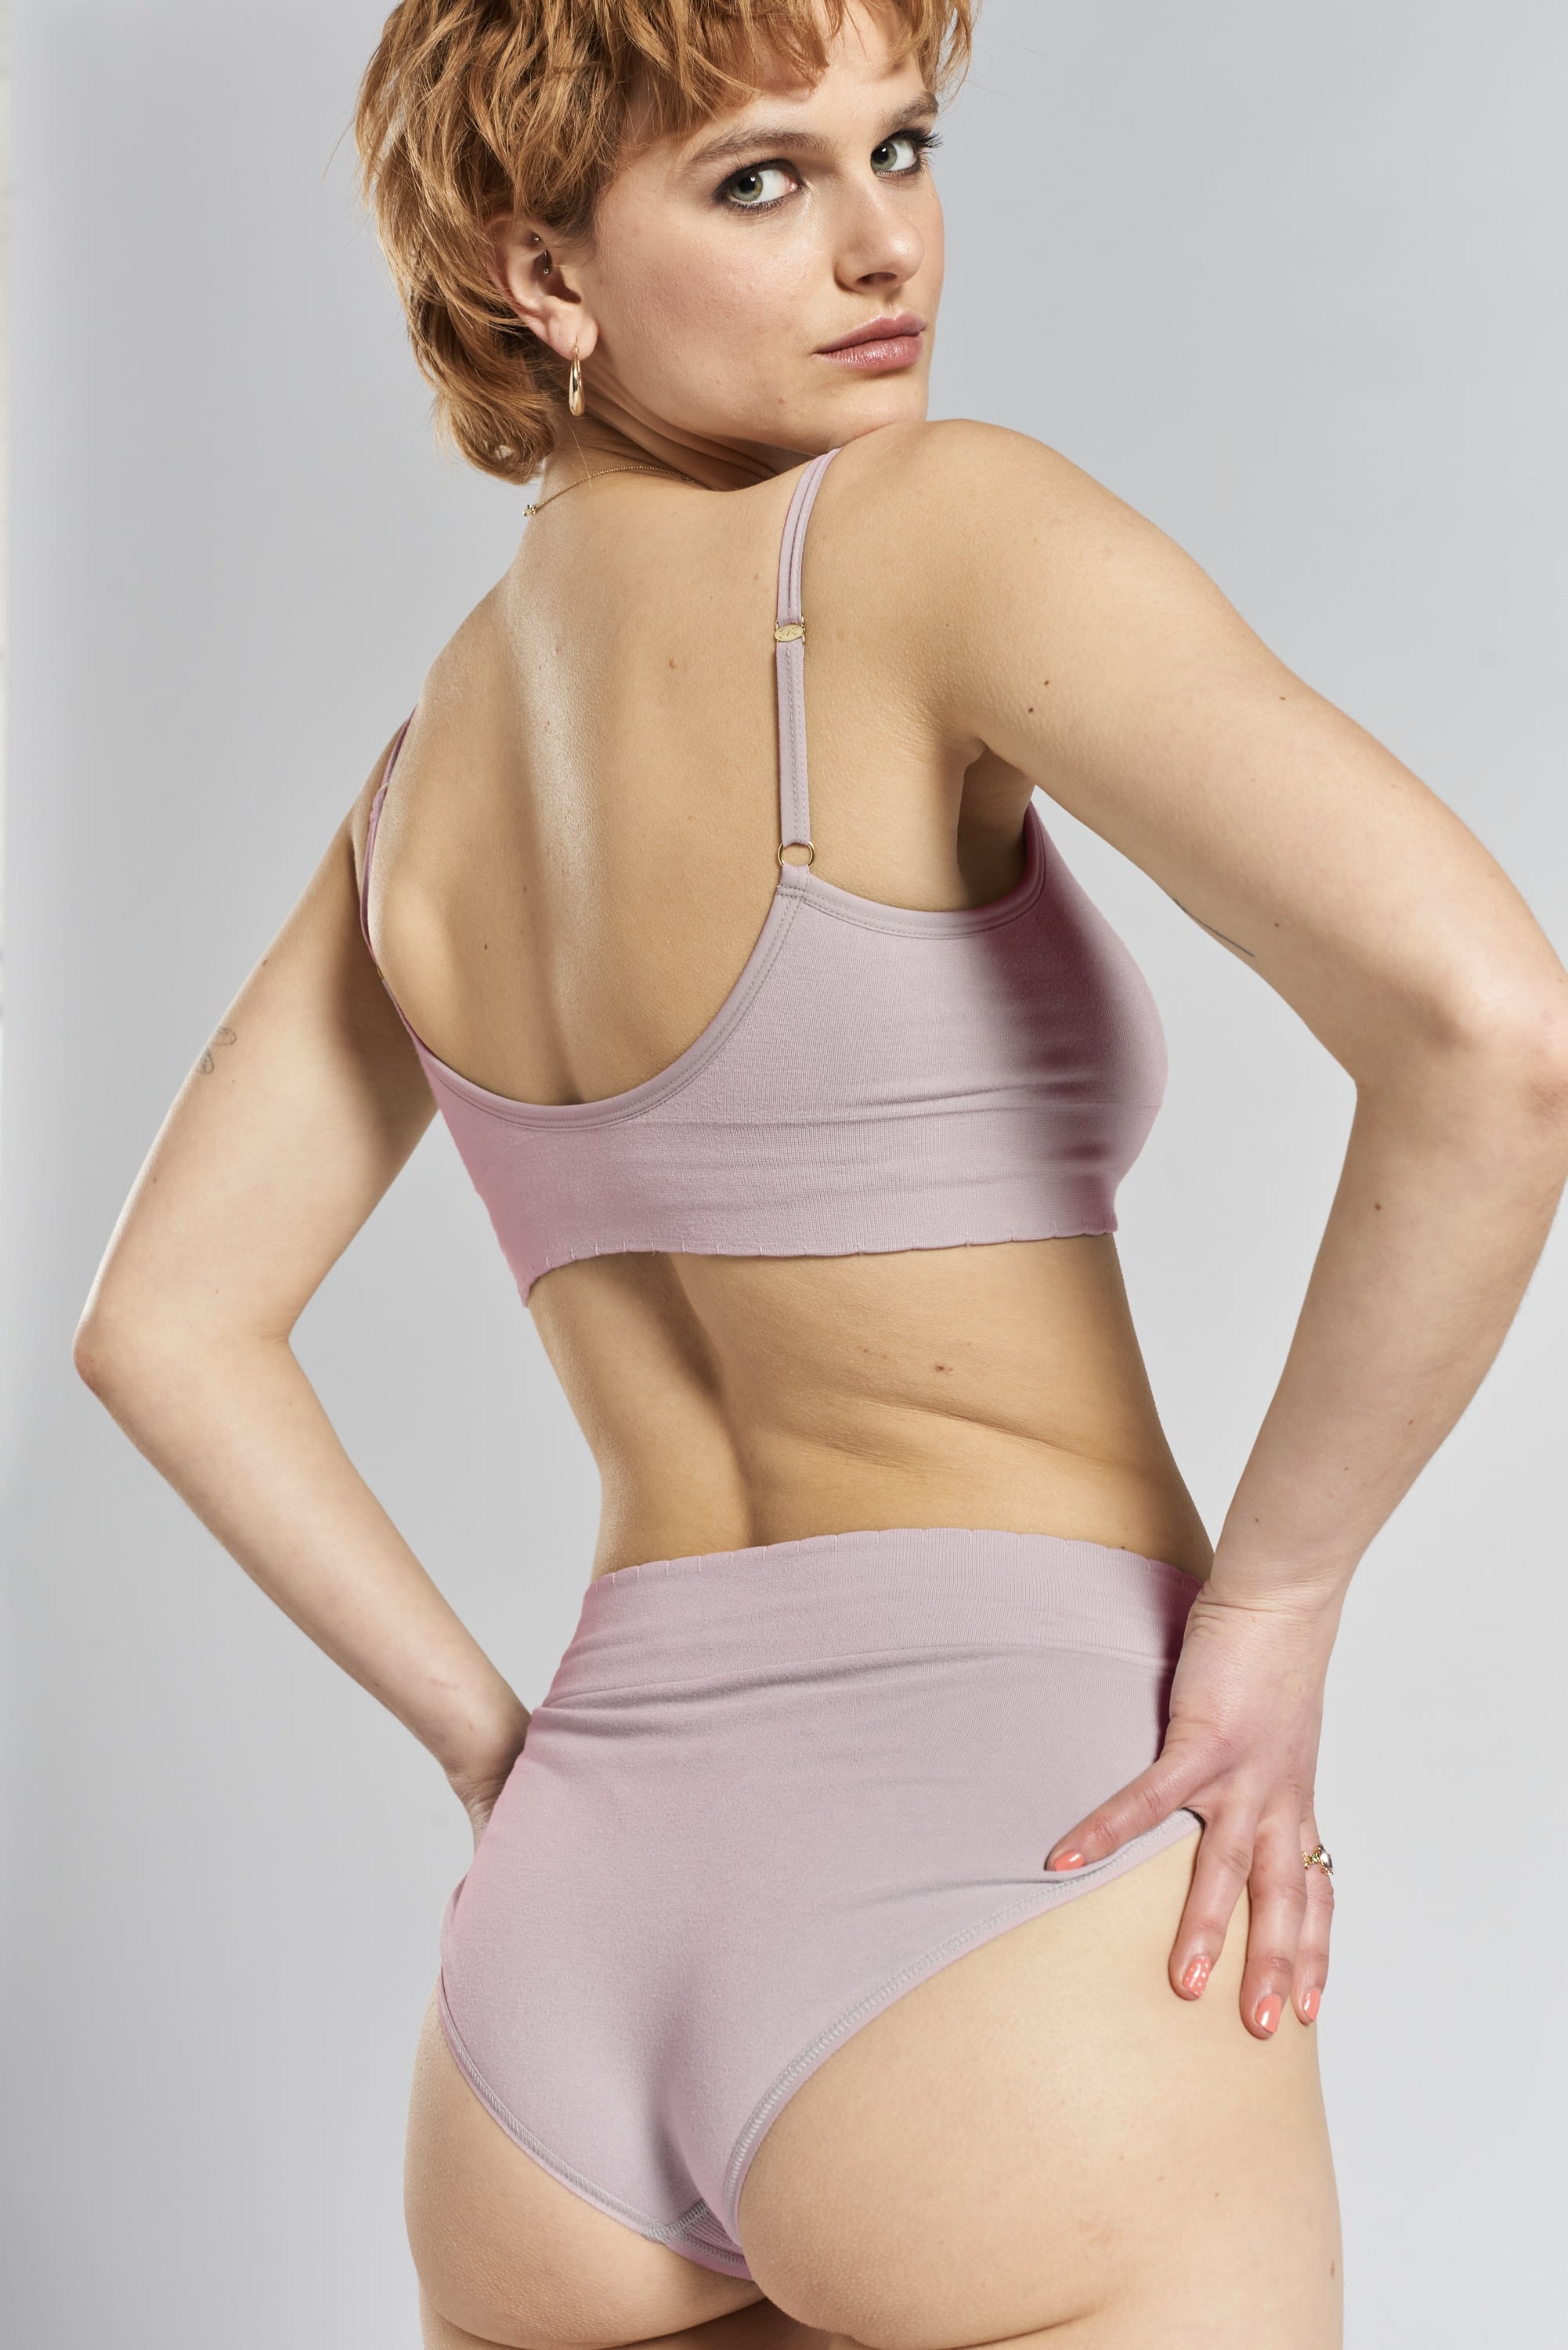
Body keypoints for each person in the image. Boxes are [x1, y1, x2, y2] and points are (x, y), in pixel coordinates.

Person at [73, 3, 1568, 2345]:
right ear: (536, 267)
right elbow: (1494, 1035)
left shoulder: (423, 771)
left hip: (559, 1981)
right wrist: (1272, 1611)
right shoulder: (936, 527)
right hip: (1016, 1864)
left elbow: (160, 1324)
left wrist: (497, 1756)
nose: (886, 247)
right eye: (760, 180)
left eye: (904, 144)